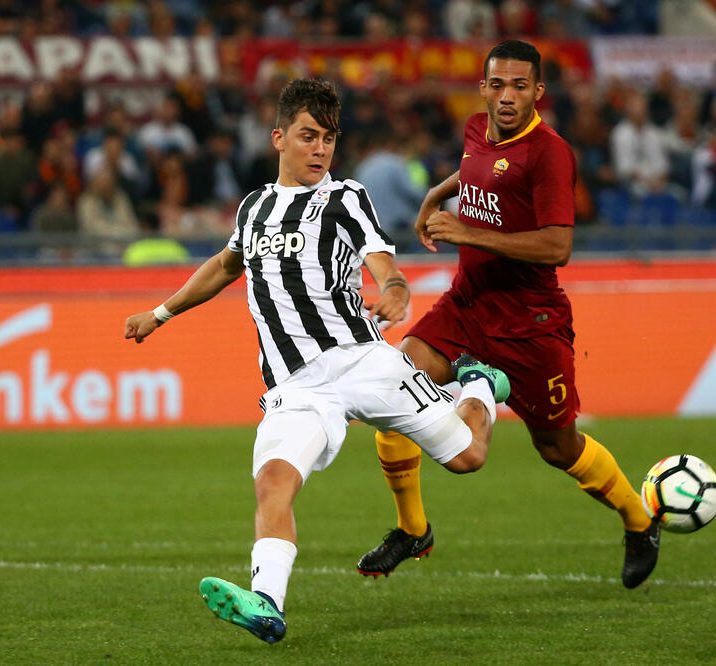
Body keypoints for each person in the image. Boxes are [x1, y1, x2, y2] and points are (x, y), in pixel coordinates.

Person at [122, 78, 511, 643]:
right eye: (308, 136)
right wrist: (160, 313)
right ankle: (267, 604)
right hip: (295, 387)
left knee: (468, 457)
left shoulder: (345, 198)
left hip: (361, 362)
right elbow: (226, 266)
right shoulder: (254, 208)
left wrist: (395, 287)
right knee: (273, 483)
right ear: (279, 138)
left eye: (328, 138)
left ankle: (477, 385)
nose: (320, 149)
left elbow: (381, 261)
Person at [359, 40, 661, 590]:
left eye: (519, 86)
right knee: (395, 388)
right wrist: (435, 195)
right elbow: (477, 172)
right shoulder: (476, 128)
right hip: (468, 303)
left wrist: (467, 232)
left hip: (530, 322)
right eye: (497, 85)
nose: (506, 96)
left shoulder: (550, 154)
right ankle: (413, 528)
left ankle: (638, 521)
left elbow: (557, 246)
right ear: (482, 88)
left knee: (557, 447)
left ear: (537, 91)